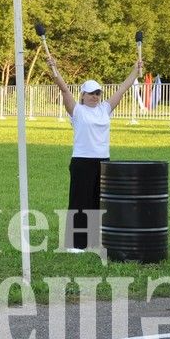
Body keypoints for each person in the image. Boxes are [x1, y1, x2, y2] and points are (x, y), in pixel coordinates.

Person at [46, 54, 142, 251]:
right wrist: (54, 70)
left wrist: (135, 70)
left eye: (97, 93)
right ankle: (76, 244)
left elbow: (123, 88)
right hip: (82, 162)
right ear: (82, 94)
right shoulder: (77, 111)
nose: (94, 96)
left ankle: (94, 241)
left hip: (103, 162)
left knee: (99, 202)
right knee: (80, 201)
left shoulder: (105, 109)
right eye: (90, 93)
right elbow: (64, 89)